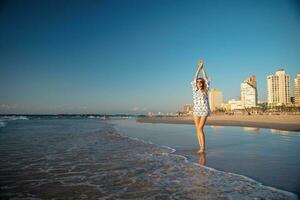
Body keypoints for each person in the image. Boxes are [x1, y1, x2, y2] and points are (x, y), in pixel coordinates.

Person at [191, 60, 210, 153]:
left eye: (200, 82)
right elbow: (194, 78)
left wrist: (203, 68)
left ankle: (203, 147)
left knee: (200, 128)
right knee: (197, 129)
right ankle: (200, 147)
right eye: (198, 82)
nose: (199, 82)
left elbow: (206, 79)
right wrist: (199, 68)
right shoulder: (194, 90)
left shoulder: (206, 90)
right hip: (196, 111)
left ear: (202, 83)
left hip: (204, 110)